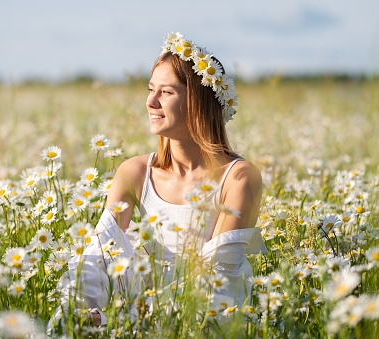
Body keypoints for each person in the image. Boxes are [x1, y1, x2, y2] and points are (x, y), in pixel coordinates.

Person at [48, 32, 266, 333]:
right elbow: (98, 251)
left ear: (198, 102)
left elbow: (220, 279)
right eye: (151, 89)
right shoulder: (134, 172)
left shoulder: (239, 178)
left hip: (207, 321)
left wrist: (134, 321)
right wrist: (84, 309)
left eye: (166, 92)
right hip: (139, 317)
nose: (151, 102)